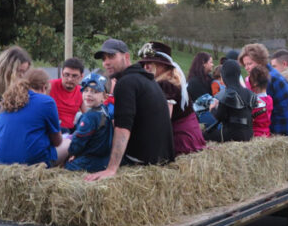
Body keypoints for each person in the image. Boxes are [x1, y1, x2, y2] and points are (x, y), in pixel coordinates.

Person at [86, 38, 175, 181]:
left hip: (142, 160)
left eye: (111, 56)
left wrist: (111, 169)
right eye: (103, 59)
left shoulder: (126, 83)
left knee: (80, 162)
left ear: (126, 57)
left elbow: (122, 128)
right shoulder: (146, 79)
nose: (106, 62)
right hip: (162, 158)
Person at [139, 41, 207, 156]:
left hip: (181, 138)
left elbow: (164, 120)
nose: (146, 66)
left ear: (163, 65)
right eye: (144, 63)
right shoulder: (168, 81)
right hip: (190, 133)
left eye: (150, 63)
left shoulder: (166, 84)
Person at [0, 68, 69, 167]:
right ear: (44, 87)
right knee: (70, 142)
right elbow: (57, 142)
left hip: (2, 162)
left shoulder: (7, 101)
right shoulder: (46, 101)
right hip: (33, 164)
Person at [238, 43, 288, 136]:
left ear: (260, 61)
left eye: (250, 63)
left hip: (285, 130)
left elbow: (260, 111)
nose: (247, 68)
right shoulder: (272, 73)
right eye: (245, 65)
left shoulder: (266, 79)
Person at [64, 72, 114, 172]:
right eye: (86, 90)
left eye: (95, 91)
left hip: (90, 161)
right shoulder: (105, 110)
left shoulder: (90, 117)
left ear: (105, 97)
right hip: (104, 159)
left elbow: (79, 140)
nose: (88, 94)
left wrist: (72, 153)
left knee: (66, 166)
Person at [204, 58, 256, 142]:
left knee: (203, 136)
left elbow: (219, 117)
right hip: (249, 134)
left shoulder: (229, 94)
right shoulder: (250, 93)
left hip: (233, 136)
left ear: (224, 76)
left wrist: (212, 109)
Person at [50, 58, 85, 133]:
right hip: (51, 130)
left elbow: (88, 115)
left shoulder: (82, 92)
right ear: (62, 74)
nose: (69, 79)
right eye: (67, 75)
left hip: (70, 132)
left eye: (74, 76)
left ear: (81, 77)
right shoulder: (49, 86)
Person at [247, 65, 273, 138]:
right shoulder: (269, 99)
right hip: (266, 134)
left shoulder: (254, 101)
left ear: (254, 83)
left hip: (255, 135)